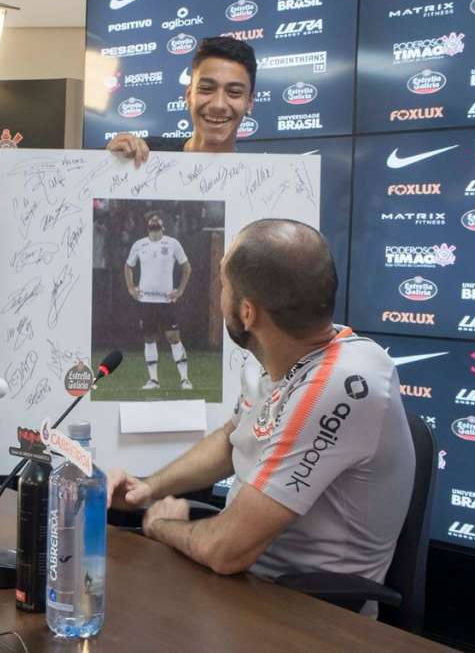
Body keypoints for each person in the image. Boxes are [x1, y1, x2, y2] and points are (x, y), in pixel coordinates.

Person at [107, 220, 414, 612]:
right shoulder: (277, 354)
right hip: (247, 583)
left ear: (246, 313)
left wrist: (159, 524)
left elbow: (226, 551)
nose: (220, 296)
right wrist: (148, 489)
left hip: (307, 612)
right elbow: (233, 438)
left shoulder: (341, 383)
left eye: (223, 286)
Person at [107, 36, 256, 163]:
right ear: (189, 96)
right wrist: (107, 164)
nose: (218, 105)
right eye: (206, 89)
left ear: (249, 102)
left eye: (234, 92)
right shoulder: (143, 155)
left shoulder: (260, 182)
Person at [125, 211, 193, 390]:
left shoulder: (172, 244)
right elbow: (128, 266)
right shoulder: (139, 245)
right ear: (147, 225)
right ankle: (153, 381)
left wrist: (180, 290)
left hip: (166, 302)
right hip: (146, 301)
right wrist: (131, 288)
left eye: (157, 219)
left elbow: (186, 267)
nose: (154, 220)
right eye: (151, 219)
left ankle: (185, 379)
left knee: (173, 337)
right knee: (149, 338)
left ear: (163, 225)